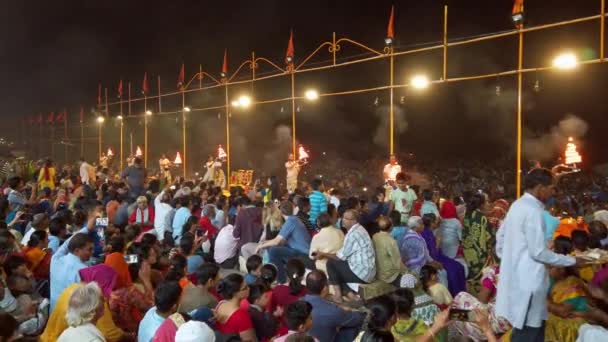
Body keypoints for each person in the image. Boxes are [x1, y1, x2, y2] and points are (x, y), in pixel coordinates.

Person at [496, 168, 581, 342]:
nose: (553, 192)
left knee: (533, 330)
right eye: (551, 187)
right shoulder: (533, 211)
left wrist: (513, 260)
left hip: (522, 279)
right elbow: (538, 253)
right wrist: (572, 260)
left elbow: (501, 238)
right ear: (540, 187)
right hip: (530, 282)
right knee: (528, 332)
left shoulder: (517, 205)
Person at [42, 264, 128, 342]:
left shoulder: (75, 289)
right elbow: (110, 334)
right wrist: (129, 336)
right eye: (110, 285)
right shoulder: (94, 297)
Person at [315, 209, 376, 303]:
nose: (343, 220)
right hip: (367, 271)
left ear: (354, 221)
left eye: (346, 218)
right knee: (335, 273)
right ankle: (353, 297)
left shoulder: (353, 234)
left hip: (363, 273)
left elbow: (339, 257)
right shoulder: (359, 229)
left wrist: (323, 253)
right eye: (343, 217)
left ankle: (338, 296)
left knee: (330, 265)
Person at [256, 201, 312, 284]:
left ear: (280, 211)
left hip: (302, 254)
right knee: (272, 248)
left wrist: (260, 246)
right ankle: (277, 276)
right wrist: (265, 243)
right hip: (300, 251)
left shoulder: (291, 221)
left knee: (273, 251)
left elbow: (277, 241)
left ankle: (281, 280)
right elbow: (280, 241)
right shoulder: (294, 219)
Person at [304, 270, 364, 342]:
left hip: (313, 337)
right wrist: (348, 312)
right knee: (356, 323)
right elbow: (357, 318)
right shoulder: (331, 311)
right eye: (327, 283)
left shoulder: (299, 303)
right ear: (324, 289)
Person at [109, 243, 155, 333]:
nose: (127, 263)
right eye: (152, 254)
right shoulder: (130, 291)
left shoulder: (104, 289)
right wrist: (147, 281)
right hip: (134, 331)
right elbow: (152, 306)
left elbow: (126, 259)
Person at [420, 213, 466, 296]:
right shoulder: (426, 234)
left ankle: (460, 294)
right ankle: (455, 294)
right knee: (454, 270)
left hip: (439, 256)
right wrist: (437, 243)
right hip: (435, 259)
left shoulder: (428, 231)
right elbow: (432, 254)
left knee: (459, 267)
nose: (437, 222)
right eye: (435, 221)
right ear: (431, 223)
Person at [50, 232, 94, 311]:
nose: (92, 252)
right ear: (77, 251)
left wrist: (87, 229)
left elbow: (66, 244)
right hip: (72, 316)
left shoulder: (55, 259)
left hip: (53, 315)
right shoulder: (84, 270)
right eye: (89, 249)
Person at [462, 193, 491, 293]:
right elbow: (487, 236)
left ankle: (471, 298)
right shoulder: (482, 217)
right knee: (481, 276)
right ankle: (479, 300)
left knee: (471, 274)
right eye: (487, 202)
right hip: (479, 253)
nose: (489, 204)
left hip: (468, 251)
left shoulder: (468, 214)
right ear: (481, 204)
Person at [214, 273, 256, 341]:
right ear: (235, 293)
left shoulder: (220, 304)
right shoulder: (241, 315)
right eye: (245, 288)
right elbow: (249, 340)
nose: (249, 289)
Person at [373, 215, 407, 286]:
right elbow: (397, 262)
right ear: (391, 227)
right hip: (389, 277)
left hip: (377, 273)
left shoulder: (374, 236)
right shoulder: (391, 241)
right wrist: (407, 271)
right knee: (413, 281)